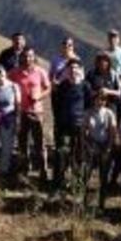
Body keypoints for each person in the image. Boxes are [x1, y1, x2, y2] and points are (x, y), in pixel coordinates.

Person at [7, 46, 51, 181]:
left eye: (30, 56)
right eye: (25, 56)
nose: (27, 58)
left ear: (34, 57)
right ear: (21, 57)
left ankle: (43, 170)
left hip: (37, 112)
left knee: (40, 142)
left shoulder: (40, 72)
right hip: (21, 112)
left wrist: (39, 96)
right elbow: (6, 85)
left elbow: (48, 87)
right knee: (22, 143)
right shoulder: (14, 73)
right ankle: (25, 168)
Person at [52, 58, 89, 188]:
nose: (73, 70)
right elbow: (56, 104)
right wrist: (57, 121)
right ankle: (59, 181)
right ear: (67, 70)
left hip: (79, 124)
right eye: (71, 68)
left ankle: (78, 181)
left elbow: (88, 105)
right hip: (63, 124)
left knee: (79, 153)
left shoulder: (85, 86)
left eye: (76, 67)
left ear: (80, 70)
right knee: (62, 152)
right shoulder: (62, 86)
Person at [81, 92, 118, 211]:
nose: (99, 102)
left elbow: (112, 132)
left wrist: (108, 147)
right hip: (91, 145)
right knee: (86, 175)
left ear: (105, 101)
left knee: (103, 177)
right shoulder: (88, 113)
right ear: (94, 100)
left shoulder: (109, 113)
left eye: (102, 100)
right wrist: (87, 145)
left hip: (104, 146)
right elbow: (83, 131)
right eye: (97, 99)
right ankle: (84, 202)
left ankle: (102, 204)